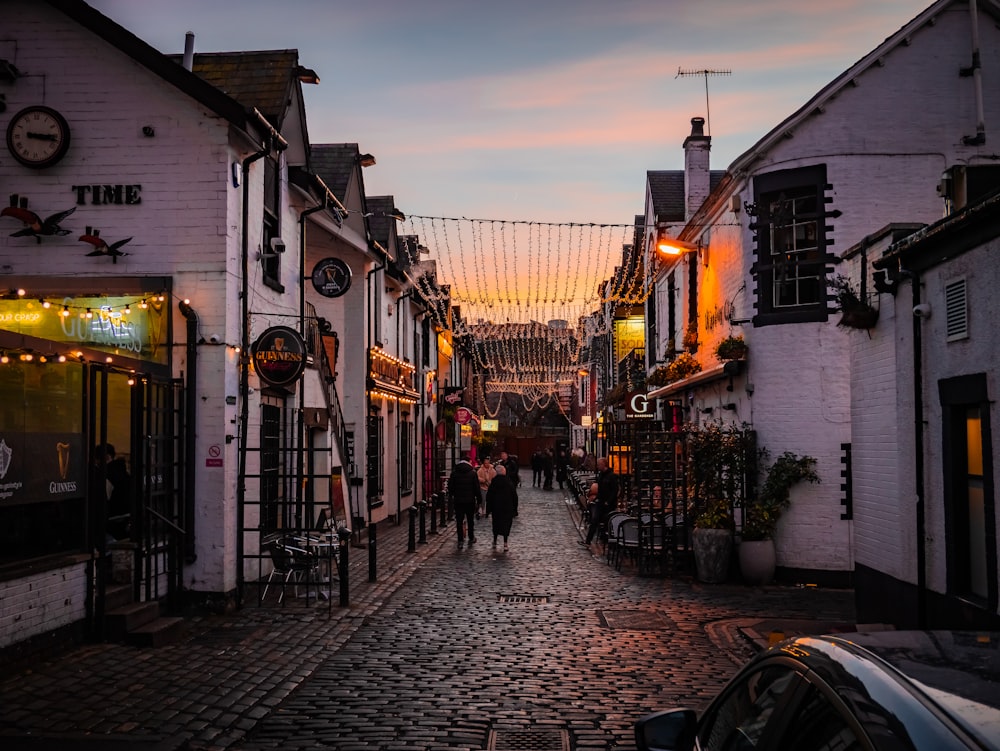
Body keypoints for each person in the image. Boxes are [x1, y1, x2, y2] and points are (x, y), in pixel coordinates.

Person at [581, 456, 619, 547]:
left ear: (604, 465)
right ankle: (588, 541)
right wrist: (596, 497)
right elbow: (600, 488)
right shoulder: (600, 475)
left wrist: (609, 501)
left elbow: (615, 490)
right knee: (594, 520)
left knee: (605, 521)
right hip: (600, 502)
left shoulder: (612, 476)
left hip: (608, 504)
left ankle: (605, 541)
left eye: (599, 465)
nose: (597, 466)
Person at [448, 452, 482, 549]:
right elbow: (476, 488)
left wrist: (453, 495)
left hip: (458, 501)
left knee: (459, 521)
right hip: (470, 501)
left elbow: (451, 487)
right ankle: (471, 537)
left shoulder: (454, 473)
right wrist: (479, 500)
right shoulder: (472, 473)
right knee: (470, 520)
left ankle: (460, 540)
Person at [485, 464, 518, 551]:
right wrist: (515, 509)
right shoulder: (509, 482)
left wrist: (488, 510)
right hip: (507, 507)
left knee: (496, 524)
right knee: (506, 525)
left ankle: (495, 541)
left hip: (496, 508)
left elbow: (489, 497)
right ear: (504, 472)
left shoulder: (493, 483)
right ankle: (505, 543)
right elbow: (514, 496)